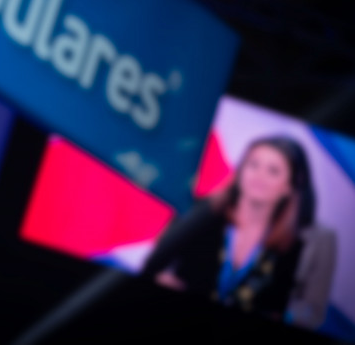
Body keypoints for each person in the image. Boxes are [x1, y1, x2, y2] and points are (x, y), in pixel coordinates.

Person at [142, 136, 334, 323]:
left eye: (273, 171)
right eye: (253, 164)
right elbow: (151, 266)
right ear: (241, 170)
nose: (259, 176)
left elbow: (308, 315)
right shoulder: (200, 212)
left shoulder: (300, 247)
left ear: (289, 187)